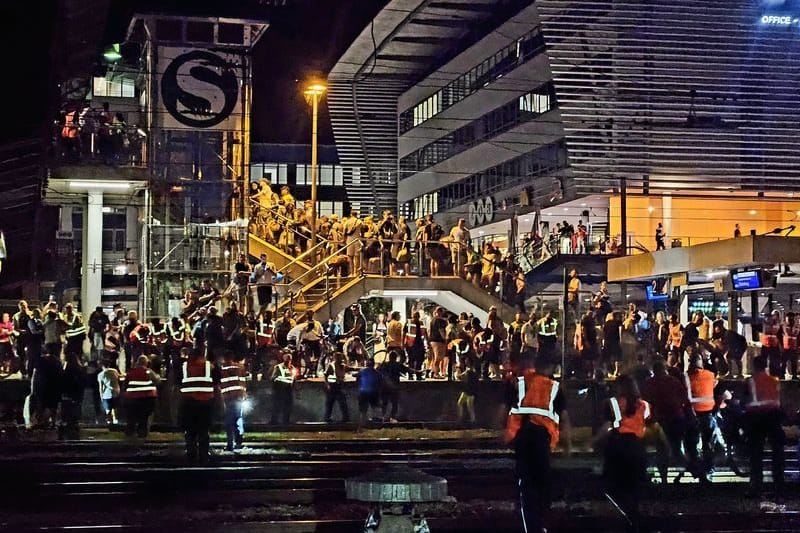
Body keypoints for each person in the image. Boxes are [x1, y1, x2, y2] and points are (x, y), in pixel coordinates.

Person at [505, 358, 569, 533]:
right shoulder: (554, 387)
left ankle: (531, 524)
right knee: (543, 484)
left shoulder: (519, 384)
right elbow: (564, 418)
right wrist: (567, 445)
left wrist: (503, 436)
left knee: (526, 486)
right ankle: (542, 523)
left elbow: (505, 410)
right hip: (543, 440)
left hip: (523, 438)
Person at [600, 374, 652, 529]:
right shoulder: (644, 405)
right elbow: (649, 425)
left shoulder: (612, 403)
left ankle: (627, 520)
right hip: (637, 448)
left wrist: (595, 440)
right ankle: (634, 521)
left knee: (614, 486)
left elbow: (607, 426)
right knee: (634, 489)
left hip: (618, 448)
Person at [641, 360, 692, 484]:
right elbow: (685, 399)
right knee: (676, 447)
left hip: (660, 419)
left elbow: (645, 400)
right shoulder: (674, 381)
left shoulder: (649, 383)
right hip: (676, 417)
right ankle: (691, 471)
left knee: (662, 450)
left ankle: (664, 478)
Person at [744, 355, 784, 498]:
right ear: (766, 365)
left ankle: (756, 486)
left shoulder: (750, 381)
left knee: (756, 455)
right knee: (777, 455)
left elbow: (745, 401)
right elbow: (779, 401)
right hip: (773, 418)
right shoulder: (775, 381)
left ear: (754, 366)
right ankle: (779, 486)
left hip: (756, 419)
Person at [180, 349, 217, 462]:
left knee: (190, 431)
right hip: (205, 403)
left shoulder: (184, 366)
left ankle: (191, 453)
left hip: (188, 402)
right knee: (204, 431)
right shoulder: (209, 366)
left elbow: (177, 384)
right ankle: (204, 454)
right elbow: (216, 384)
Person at [685, 353, 717, 482]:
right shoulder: (710, 375)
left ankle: (696, 469)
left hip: (693, 414)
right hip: (708, 412)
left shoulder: (687, 377)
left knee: (692, 444)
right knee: (707, 444)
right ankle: (709, 468)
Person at [124, 354, 160, 438]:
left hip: (132, 398)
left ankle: (130, 433)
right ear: (146, 363)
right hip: (147, 398)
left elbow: (125, 385)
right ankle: (142, 434)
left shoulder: (130, 371)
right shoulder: (149, 371)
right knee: (144, 418)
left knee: (131, 417)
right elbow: (157, 381)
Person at [220, 350, 247, 451]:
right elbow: (243, 382)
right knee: (238, 420)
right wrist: (244, 394)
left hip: (228, 398)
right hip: (239, 398)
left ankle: (230, 444)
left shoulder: (222, 368)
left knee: (229, 422)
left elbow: (221, 384)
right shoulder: (240, 367)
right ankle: (239, 442)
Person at [58, 353, 86, 440]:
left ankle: (68, 432)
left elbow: (63, 382)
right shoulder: (80, 370)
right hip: (77, 395)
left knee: (67, 414)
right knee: (74, 415)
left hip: (67, 395)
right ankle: (74, 431)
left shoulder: (66, 371)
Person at [323, 352, 351, 423]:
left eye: (340, 357)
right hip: (332, 386)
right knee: (330, 403)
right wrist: (327, 385)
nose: (340, 359)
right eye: (338, 357)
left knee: (342, 403)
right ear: (335, 358)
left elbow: (350, 369)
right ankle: (327, 418)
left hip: (339, 386)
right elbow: (325, 375)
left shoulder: (342, 366)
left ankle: (345, 418)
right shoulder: (331, 365)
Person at [270, 350, 295, 424]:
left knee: (288, 405)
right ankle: (274, 421)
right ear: (284, 359)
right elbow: (273, 378)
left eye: (290, 359)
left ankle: (286, 420)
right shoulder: (278, 367)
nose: (289, 361)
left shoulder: (292, 368)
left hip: (288, 389)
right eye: (287, 359)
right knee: (277, 404)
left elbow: (293, 379)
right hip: (279, 388)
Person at [356, 358, 382, 426]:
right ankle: (376, 423)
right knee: (375, 407)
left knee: (363, 410)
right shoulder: (378, 373)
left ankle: (362, 424)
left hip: (363, 392)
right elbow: (380, 382)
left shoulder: (362, 371)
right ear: (373, 364)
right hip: (374, 392)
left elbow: (357, 379)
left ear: (366, 364)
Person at [456, 356, 479, 424]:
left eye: (467, 361)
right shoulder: (469, 370)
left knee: (470, 407)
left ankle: (473, 421)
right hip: (466, 391)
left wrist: (458, 373)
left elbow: (461, 376)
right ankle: (460, 418)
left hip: (470, 392)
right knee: (460, 403)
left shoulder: (470, 371)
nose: (465, 362)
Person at [97, 359, 120, 426]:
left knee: (108, 410)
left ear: (102, 366)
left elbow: (101, 387)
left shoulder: (100, 375)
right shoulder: (114, 371)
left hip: (106, 394)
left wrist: (101, 396)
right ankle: (115, 421)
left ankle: (109, 422)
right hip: (116, 393)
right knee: (114, 408)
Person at [404, 311, 427, 378]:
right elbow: (404, 333)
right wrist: (403, 343)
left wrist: (427, 342)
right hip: (410, 344)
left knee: (420, 360)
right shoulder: (408, 322)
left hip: (420, 344)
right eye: (414, 316)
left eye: (417, 316)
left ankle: (418, 375)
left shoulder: (422, 323)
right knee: (411, 360)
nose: (415, 318)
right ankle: (410, 375)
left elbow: (425, 333)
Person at [428, 307, 447, 379]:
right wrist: (445, 339)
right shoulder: (439, 320)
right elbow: (441, 330)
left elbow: (429, 330)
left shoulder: (432, 320)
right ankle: (436, 373)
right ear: (440, 312)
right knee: (438, 357)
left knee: (434, 357)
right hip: (438, 340)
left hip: (432, 340)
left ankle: (433, 372)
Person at [782, 312, 800, 380]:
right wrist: (780, 346)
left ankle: (794, 375)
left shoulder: (797, 327)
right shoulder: (783, 326)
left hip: (794, 347)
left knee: (794, 362)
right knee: (784, 362)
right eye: (789, 318)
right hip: (785, 347)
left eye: (792, 318)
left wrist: (798, 347)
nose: (791, 320)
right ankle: (782, 374)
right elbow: (779, 336)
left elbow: (799, 337)